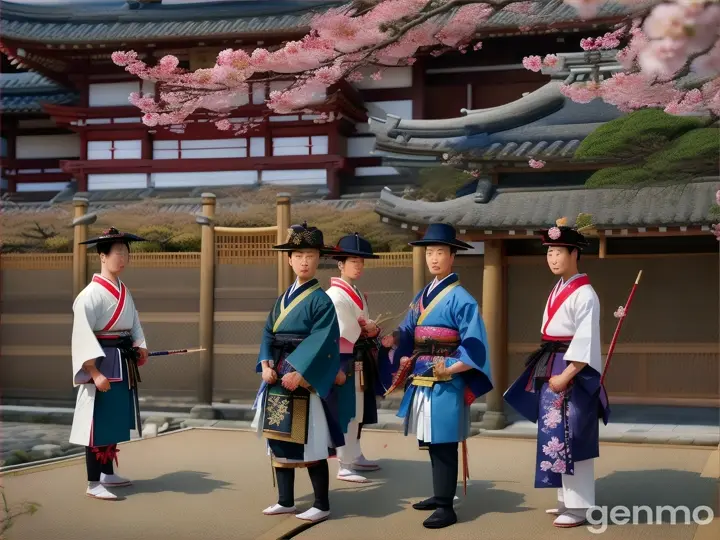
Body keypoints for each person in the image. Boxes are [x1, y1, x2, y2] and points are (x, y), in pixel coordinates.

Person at [504, 217, 610, 528]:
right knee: (555, 434)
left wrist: (568, 374)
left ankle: (580, 507)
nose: (553, 259)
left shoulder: (585, 293)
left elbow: (586, 341)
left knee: (575, 432)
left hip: (571, 369)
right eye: (549, 253)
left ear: (575, 253)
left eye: (559, 252)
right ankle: (566, 498)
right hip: (554, 362)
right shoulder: (560, 288)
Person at [387, 223, 493, 529]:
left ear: (452, 256)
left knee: (444, 440)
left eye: (440, 252)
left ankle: (447, 507)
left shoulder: (463, 299)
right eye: (429, 252)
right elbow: (409, 331)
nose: (433, 258)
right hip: (423, 376)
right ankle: (439, 495)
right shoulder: (423, 295)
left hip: (447, 377)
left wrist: (452, 368)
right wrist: (391, 341)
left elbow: (474, 344)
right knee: (432, 440)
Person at [250, 222, 342, 523]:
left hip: (301, 381)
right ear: (289, 259)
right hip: (277, 375)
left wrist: (301, 372)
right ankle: (285, 500)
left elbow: (323, 340)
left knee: (310, 439)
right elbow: (267, 332)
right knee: (279, 437)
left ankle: (321, 503)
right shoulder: (282, 298)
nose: (304, 260)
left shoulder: (321, 301)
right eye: (298, 254)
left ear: (319, 259)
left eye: (310, 255)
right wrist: (265, 364)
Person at [69, 227, 149, 501]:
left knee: (114, 419)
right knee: (97, 422)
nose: (123, 257)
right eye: (117, 252)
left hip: (122, 361)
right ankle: (93, 482)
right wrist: (92, 371)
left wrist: (140, 345)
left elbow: (134, 323)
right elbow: (82, 335)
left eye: (126, 252)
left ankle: (107, 473)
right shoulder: (89, 295)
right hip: (102, 361)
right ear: (102, 256)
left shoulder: (124, 291)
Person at [326, 233, 383, 484]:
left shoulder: (356, 292)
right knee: (347, 409)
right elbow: (344, 331)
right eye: (352, 261)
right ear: (340, 264)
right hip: (344, 359)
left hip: (358, 356)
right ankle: (343, 462)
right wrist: (367, 329)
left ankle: (355, 454)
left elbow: (358, 328)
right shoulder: (336, 295)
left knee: (358, 409)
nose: (358, 266)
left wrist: (371, 329)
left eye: (361, 262)